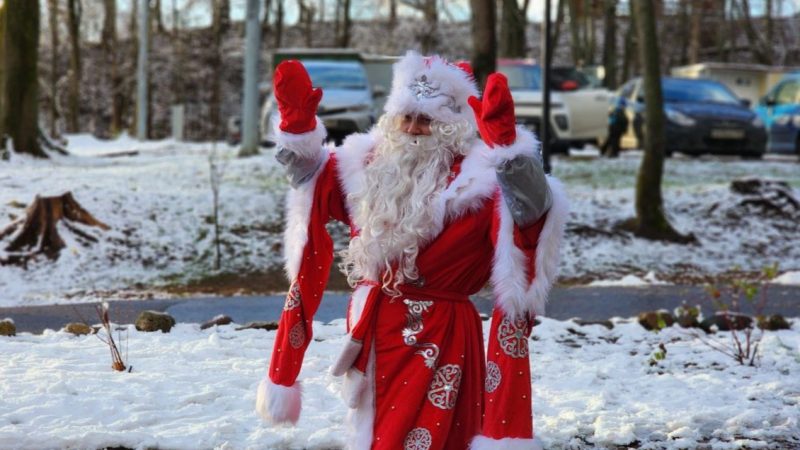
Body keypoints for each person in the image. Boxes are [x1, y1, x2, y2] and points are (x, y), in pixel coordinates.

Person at [256, 51, 568, 450]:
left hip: (442, 340)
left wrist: (510, 151)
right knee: (374, 436)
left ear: (451, 127)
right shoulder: (366, 164)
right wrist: (298, 130)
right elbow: (313, 182)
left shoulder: (483, 181)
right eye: (406, 117)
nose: (413, 129)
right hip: (374, 333)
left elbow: (533, 214)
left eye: (427, 120)